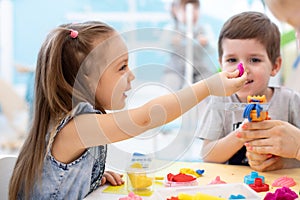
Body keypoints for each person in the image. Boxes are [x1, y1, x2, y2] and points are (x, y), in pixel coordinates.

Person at [8, 21, 246, 199]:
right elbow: (145, 118)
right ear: (87, 80)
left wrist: (88, 178)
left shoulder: (81, 124)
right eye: (122, 67)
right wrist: (208, 86)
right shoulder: (76, 127)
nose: (131, 76)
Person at [198, 11, 300, 169]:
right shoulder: (219, 102)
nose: (242, 69)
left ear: (275, 66)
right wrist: (242, 134)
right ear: (221, 64)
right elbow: (208, 155)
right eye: (232, 60)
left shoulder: (290, 101)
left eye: (254, 60)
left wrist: (284, 163)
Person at [237, 0, 300, 172]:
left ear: (275, 66)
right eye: (293, 27)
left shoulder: (289, 98)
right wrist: (285, 162)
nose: (297, 38)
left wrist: (297, 147)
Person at [162, 0, 216, 91]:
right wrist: (171, 42)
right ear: (175, 11)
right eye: (185, 9)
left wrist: (206, 43)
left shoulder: (204, 29)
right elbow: (162, 48)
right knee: (171, 82)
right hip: (176, 69)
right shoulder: (171, 29)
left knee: (207, 85)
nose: (192, 12)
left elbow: (213, 50)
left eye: (196, 8)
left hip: (200, 69)